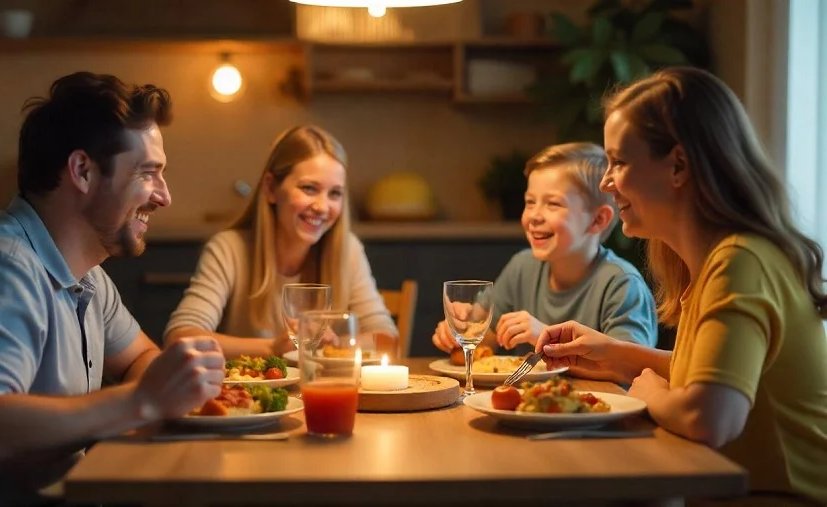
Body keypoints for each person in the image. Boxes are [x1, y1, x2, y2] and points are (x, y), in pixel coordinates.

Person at [535, 67, 827, 505]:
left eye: (619, 162)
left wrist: (647, 388)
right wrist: (617, 358)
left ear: (678, 165)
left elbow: (709, 418)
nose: (605, 181)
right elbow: (718, 376)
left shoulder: (740, 262)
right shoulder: (717, 258)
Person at [0, 72, 225, 507]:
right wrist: (142, 402)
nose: (164, 196)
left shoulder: (88, 276)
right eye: (148, 173)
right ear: (83, 171)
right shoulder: (2, 266)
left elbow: (142, 359)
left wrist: (170, 385)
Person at [165, 125, 398, 358]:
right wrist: (272, 348)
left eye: (335, 193)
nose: (322, 206)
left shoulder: (348, 250)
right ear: (271, 188)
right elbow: (180, 338)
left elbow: (388, 340)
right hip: (251, 394)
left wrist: (336, 343)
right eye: (309, 188)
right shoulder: (228, 249)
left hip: (324, 391)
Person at [432, 142, 658, 357]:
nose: (534, 216)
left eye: (553, 203)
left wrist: (546, 338)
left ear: (598, 220)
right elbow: (486, 337)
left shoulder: (622, 285)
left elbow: (630, 367)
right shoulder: (522, 267)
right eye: (530, 202)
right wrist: (463, 329)